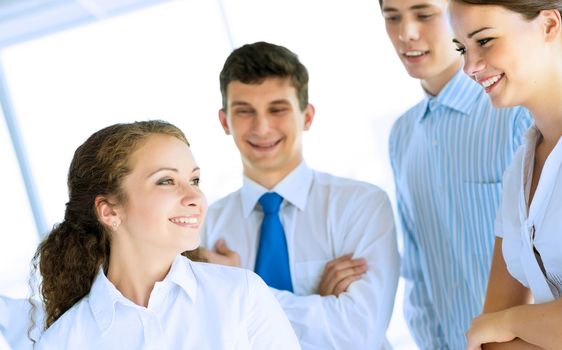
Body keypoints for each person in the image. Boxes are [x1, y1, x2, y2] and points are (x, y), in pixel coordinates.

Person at [200, 41, 400, 350]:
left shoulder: (361, 205)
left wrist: (239, 291)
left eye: (277, 109)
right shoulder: (202, 229)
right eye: (244, 111)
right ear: (225, 121)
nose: (262, 127)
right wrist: (318, 306)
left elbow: (358, 333)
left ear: (307, 116)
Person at [31, 120, 300, 349]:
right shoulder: (62, 342)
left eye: (194, 180)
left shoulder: (241, 295)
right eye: (166, 181)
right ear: (110, 211)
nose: (195, 196)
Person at [379, 0, 531, 348]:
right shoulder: (402, 135)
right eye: (392, 18)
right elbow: (417, 267)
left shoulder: (515, 113)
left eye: (424, 14)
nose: (406, 33)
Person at [449, 1, 562, 349]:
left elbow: (492, 325)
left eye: (484, 41)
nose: (469, 66)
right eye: (461, 48)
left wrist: (507, 322)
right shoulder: (519, 168)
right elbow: (486, 341)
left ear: (548, 25)